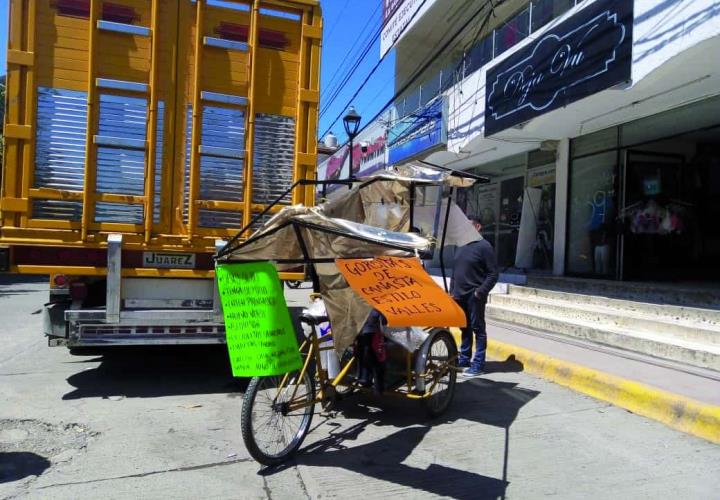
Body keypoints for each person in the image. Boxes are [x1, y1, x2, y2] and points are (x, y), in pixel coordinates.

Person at [451, 217, 499, 377]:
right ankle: (464, 359)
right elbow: (455, 270)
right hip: (459, 294)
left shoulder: (484, 247)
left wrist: (480, 291)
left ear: (478, 227)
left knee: (478, 328)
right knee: (465, 328)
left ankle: (478, 364)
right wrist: (452, 290)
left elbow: (493, 274)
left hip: (474, 295)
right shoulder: (460, 245)